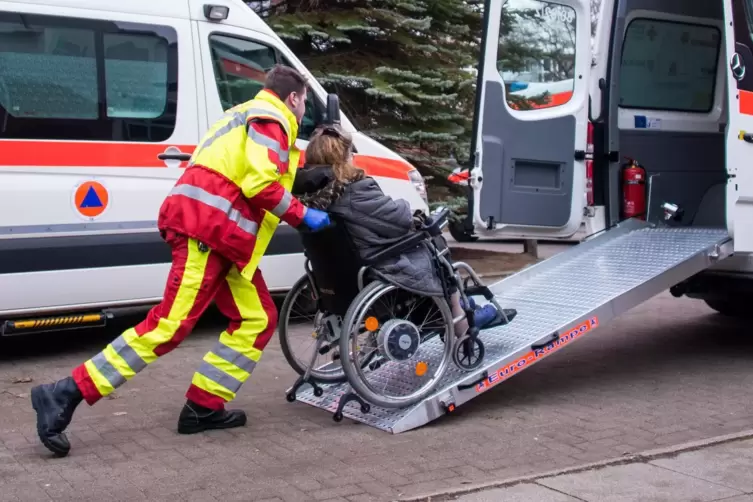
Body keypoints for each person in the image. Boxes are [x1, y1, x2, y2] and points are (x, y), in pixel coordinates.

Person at [30, 65, 331, 458]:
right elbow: (259, 184)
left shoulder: (245, 115)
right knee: (169, 325)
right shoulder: (271, 119)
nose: (303, 109)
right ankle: (64, 393)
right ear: (294, 97)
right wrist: (303, 215)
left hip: (221, 237)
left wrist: (300, 181)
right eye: (304, 101)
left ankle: (203, 406)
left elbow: (247, 173)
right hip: (208, 231)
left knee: (257, 317)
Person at [292, 125, 515, 335]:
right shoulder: (353, 190)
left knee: (426, 244)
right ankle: (461, 318)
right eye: (351, 154)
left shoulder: (308, 196)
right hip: (376, 265)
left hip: (337, 276)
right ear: (343, 159)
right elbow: (399, 219)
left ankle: (464, 305)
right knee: (435, 244)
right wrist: (411, 209)